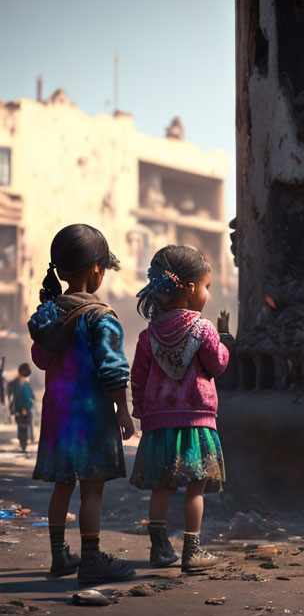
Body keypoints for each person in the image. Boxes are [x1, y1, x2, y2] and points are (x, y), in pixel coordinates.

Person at [28, 224, 136, 583]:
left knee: (63, 485)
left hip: (58, 416)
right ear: (96, 269)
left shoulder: (50, 314)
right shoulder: (99, 316)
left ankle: (60, 557)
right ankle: (91, 560)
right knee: (92, 488)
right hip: (91, 417)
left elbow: (40, 359)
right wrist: (122, 409)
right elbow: (113, 367)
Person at [129, 245, 230, 571]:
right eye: (206, 287)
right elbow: (216, 365)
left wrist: (141, 411)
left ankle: (159, 550)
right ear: (187, 288)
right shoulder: (203, 329)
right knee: (194, 490)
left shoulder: (148, 336)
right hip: (196, 422)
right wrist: (225, 340)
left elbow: (138, 378)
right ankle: (192, 550)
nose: (207, 294)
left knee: (162, 488)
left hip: (159, 424)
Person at [7, 363, 35, 452]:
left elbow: (31, 398)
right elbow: (10, 393)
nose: (24, 378)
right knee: (21, 427)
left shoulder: (26, 386)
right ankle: (22, 442)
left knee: (24, 428)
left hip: (25, 410)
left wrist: (26, 408)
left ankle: (24, 444)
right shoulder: (15, 384)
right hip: (18, 409)